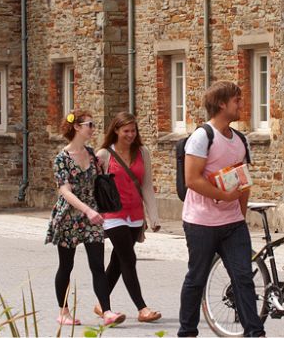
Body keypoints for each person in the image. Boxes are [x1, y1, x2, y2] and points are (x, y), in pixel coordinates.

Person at [177, 81, 264, 338]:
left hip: (233, 223)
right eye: (237, 100)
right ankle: (187, 332)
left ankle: (255, 332)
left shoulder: (240, 139)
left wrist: (240, 211)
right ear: (222, 104)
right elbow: (192, 179)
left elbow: (243, 179)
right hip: (201, 222)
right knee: (197, 278)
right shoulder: (202, 136)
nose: (241, 104)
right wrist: (224, 196)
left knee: (244, 278)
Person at [46, 111, 119, 326]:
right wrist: (87, 210)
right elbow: (65, 192)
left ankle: (107, 312)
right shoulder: (62, 158)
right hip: (69, 216)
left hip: (91, 215)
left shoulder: (90, 153)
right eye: (90, 124)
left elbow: (97, 182)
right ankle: (63, 311)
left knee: (97, 264)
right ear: (77, 127)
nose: (93, 128)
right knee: (66, 265)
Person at [96, 112, 162, 324]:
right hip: (113, 215)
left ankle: (101, 304)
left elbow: (146, 186)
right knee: (128, 259)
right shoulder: (104, 155)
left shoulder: (143, 152)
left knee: (117, 261)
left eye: (133, 131)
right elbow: (95, 187)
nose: (130, 135)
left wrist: (154, 217)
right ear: (116, 130)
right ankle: (142, 309)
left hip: (135, 214)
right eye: (126, 131)